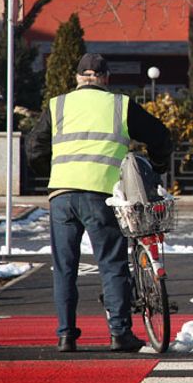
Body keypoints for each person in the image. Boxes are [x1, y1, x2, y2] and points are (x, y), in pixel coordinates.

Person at [27, 53, 173, 352]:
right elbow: (160, 135)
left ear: (79, 77)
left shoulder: (58, 105)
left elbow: (34, 148)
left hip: (62, 195)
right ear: (105, 78)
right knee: (111, 264)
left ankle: (66, 335)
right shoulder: (119, 104)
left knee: (64, 267)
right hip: (102, 195)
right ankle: (119, 333)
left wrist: (52, 173)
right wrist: (157, 166)